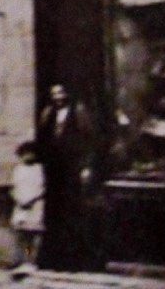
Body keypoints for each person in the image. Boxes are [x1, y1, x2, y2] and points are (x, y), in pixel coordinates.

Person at [36, 84, 96, 270]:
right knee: (54, 213)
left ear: (67, 95)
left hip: (72, 170)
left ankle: (73, 261)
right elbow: (43, 140)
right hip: (54, 172)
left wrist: (85, 167)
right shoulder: (48, 114)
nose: (57, 97)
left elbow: (88, 141)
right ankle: (53, 260)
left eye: (60, 93)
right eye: (54, 94)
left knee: (71, 212)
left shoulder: (78, 113)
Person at [10, 140, 45, 276]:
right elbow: (14, 187)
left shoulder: (39, 169)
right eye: (24, 154)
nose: (27, 156)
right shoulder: (18, 170)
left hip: (34, 205)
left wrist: (31, 201)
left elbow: (41, 188)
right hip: (20, 205)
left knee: (33, 235)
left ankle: (31, 262)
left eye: (30, 153)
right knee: (22, 235)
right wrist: (18, 199)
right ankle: (22, 261)